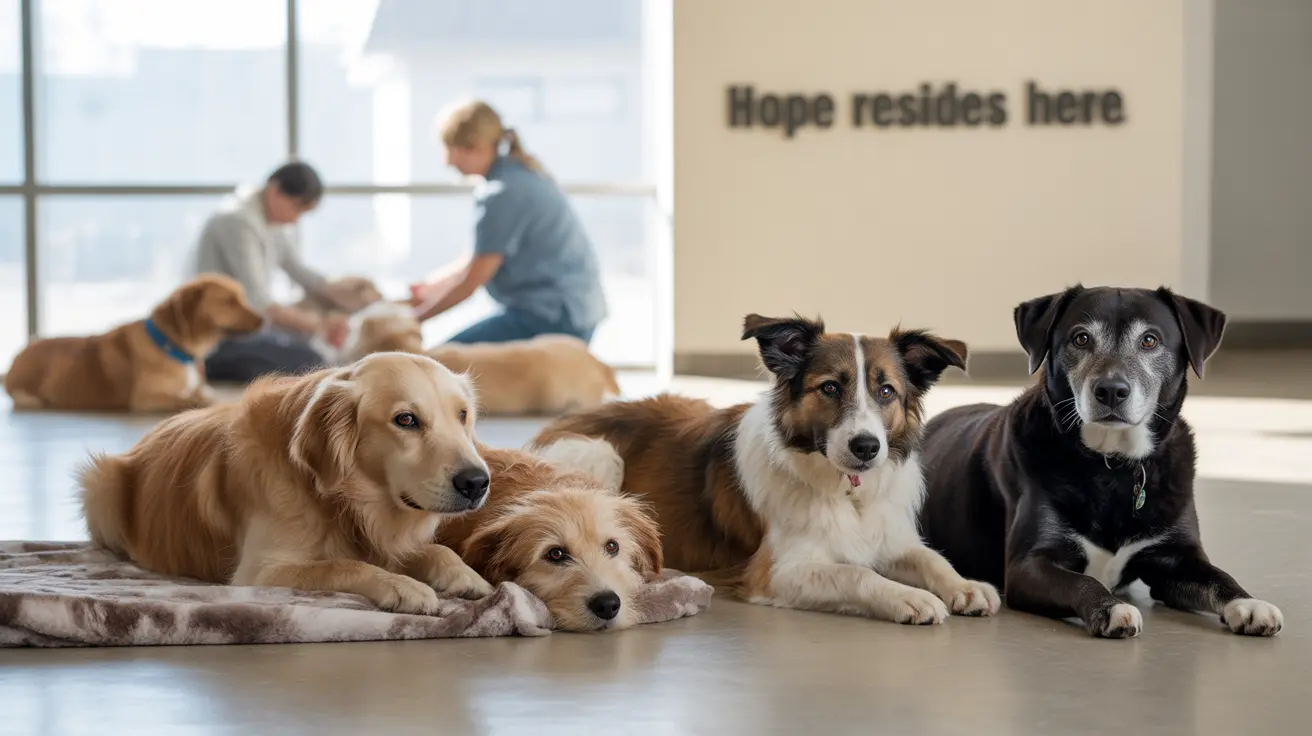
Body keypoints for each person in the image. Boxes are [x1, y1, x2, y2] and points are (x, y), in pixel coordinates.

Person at [409, 100, 608, 345]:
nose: (447, 161)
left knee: (448, 360)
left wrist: (415, 318)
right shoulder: (517, 174)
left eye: (452, 149)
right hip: (572, 310)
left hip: (553, 317)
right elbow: (475, 260)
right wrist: (428, 287)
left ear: (478, 148)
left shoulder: (503, 192)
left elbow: (471, 281)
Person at [191, 161, 356, 383]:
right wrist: (320, 324)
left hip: (248, 331)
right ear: (275, 190)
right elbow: (259, 303)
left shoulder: (270, 222)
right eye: (296, 208)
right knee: (312, 360)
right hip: (219, 340)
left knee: (315, 352)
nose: (295, 219)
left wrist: (343, 299)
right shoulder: (237, 221)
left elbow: (300, 272)